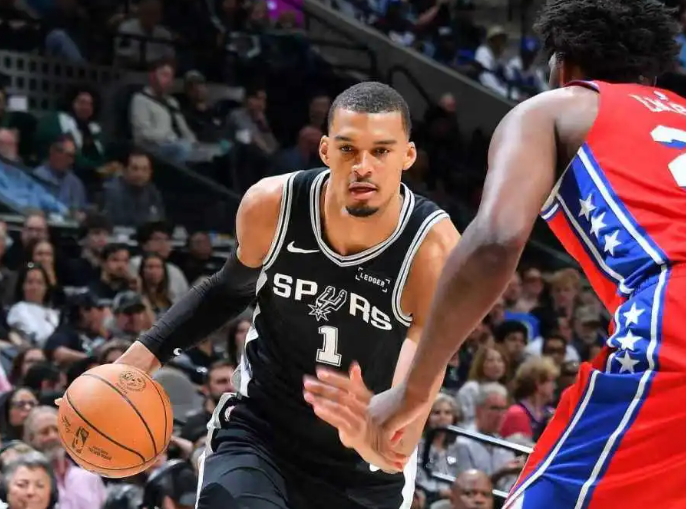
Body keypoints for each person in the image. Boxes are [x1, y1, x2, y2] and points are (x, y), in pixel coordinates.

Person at [303, 0, 686, 508]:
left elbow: (496, 240)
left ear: (563, 67)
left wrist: (413, 391)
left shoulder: (555, 109)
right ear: (652, 76)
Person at [100, 81, 460, 508]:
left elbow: (401, 436)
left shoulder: (433, 252)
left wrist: (370, 436)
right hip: (260, 433)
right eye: (348, 149)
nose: (363, 166)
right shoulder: (273, 205)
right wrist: (135, 362)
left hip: (362, 474)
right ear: (325, 150)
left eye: (381, 151)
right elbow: (227, 290)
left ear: (408, 156)